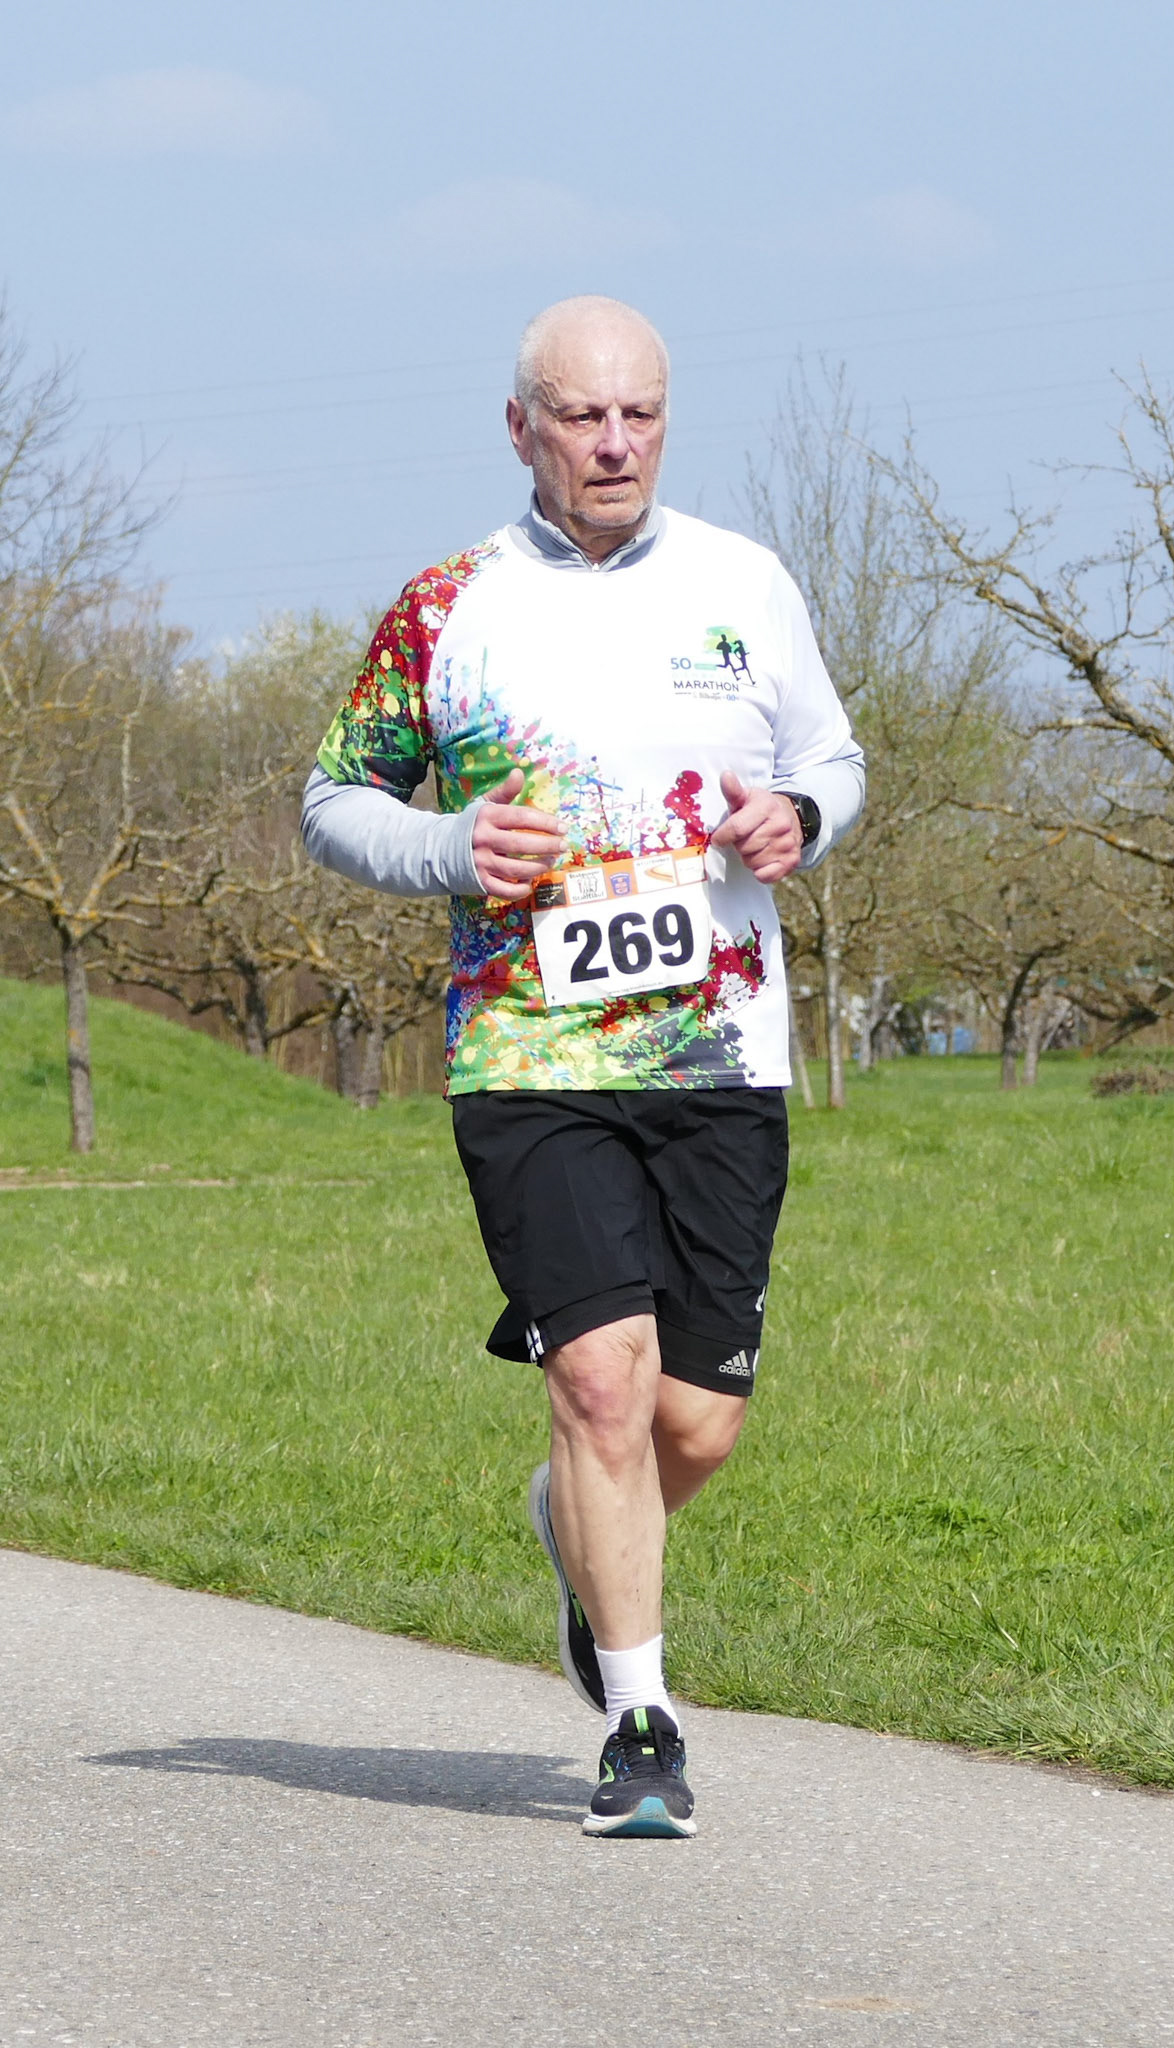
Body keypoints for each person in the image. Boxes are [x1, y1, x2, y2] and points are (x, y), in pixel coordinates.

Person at [301, 295, 864, 1838]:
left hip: (720, 1049)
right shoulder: (447, 606)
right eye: (582, 416)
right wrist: (446, 846)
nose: (615, 443)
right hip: (529, 1049)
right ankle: (642, 1722)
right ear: (522, 428)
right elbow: (335, 796)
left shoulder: (746, 583)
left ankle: (579, 1530)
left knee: (696, 1423)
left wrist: (801, 817)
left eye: (640, 415)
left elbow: (832, 756)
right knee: (602, 1382)